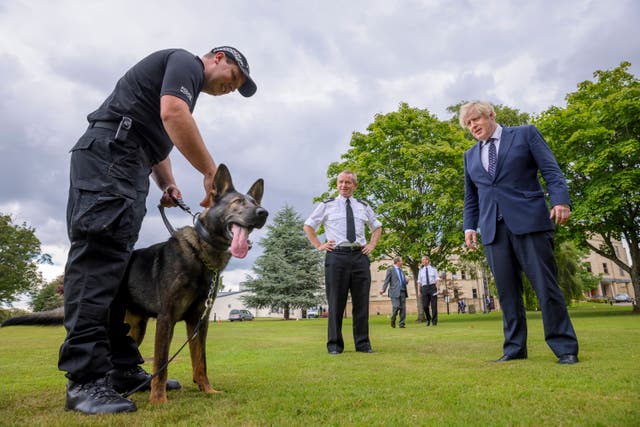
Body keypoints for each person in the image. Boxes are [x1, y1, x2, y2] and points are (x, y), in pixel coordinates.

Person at [58, 46, 257, 414]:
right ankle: (84, 382)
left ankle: (120, 370)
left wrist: (166, 183)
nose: (234, 87)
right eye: (235, 77)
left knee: (114, 274)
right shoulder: (183, 62)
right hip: (111, 158)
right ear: (216, 58)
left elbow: (157, 139)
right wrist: (210, 171)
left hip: (130, 163)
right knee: (98, 267)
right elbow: (172, 113)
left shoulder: (184, 87)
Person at [460, 101, 579, 365]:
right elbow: (472, 197)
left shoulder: (525, 134)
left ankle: (564, 347)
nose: (473, 127)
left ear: (491, 115)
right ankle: (515, 348)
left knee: (545, 287)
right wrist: (470, 226)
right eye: (468, 124)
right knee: (507, 293)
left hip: (530, 223)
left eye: (476, 120)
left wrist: (561, 201)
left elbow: (551, 170)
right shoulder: (469, 156)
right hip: (493, 230)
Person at [304, 170, 382, 354]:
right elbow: (308, 225)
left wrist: (372, 244)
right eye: (340, 182)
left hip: (359, 257)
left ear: (355, 185)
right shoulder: (327, 205)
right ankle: (334, 345)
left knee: (361, 302)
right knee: (336, 302)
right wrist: (319, 245)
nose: (344, 185)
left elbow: (377, 226)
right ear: (337, 184)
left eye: (348, 182)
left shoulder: (363, 206)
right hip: (336, 257)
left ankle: (363, 344)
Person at [380, 256, 409, 328]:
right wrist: (383, 289)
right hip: (394, 292)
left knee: (403, 308)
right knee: (396, 306)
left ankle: (402, 324)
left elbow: (401, 281)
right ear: (398, 262)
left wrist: (406, 281)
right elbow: (387, 280)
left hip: (403, 291)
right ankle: (393, 319)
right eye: (401, 261)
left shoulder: (401, 270)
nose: (402, 262)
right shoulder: (390, 269)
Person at [417, 256, 440, 326]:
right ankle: (428, 318)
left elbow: (437, 279)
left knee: (434, 305)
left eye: (424, 260)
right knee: (425, 306)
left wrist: (438, 288)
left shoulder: (433, 269)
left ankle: (434, 321)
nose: (422, 261)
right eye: (422, 260)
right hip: (424, 288)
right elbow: (419, 282)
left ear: (427, 260)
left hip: (433, 288)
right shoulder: (421, 270)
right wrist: (418, 291)